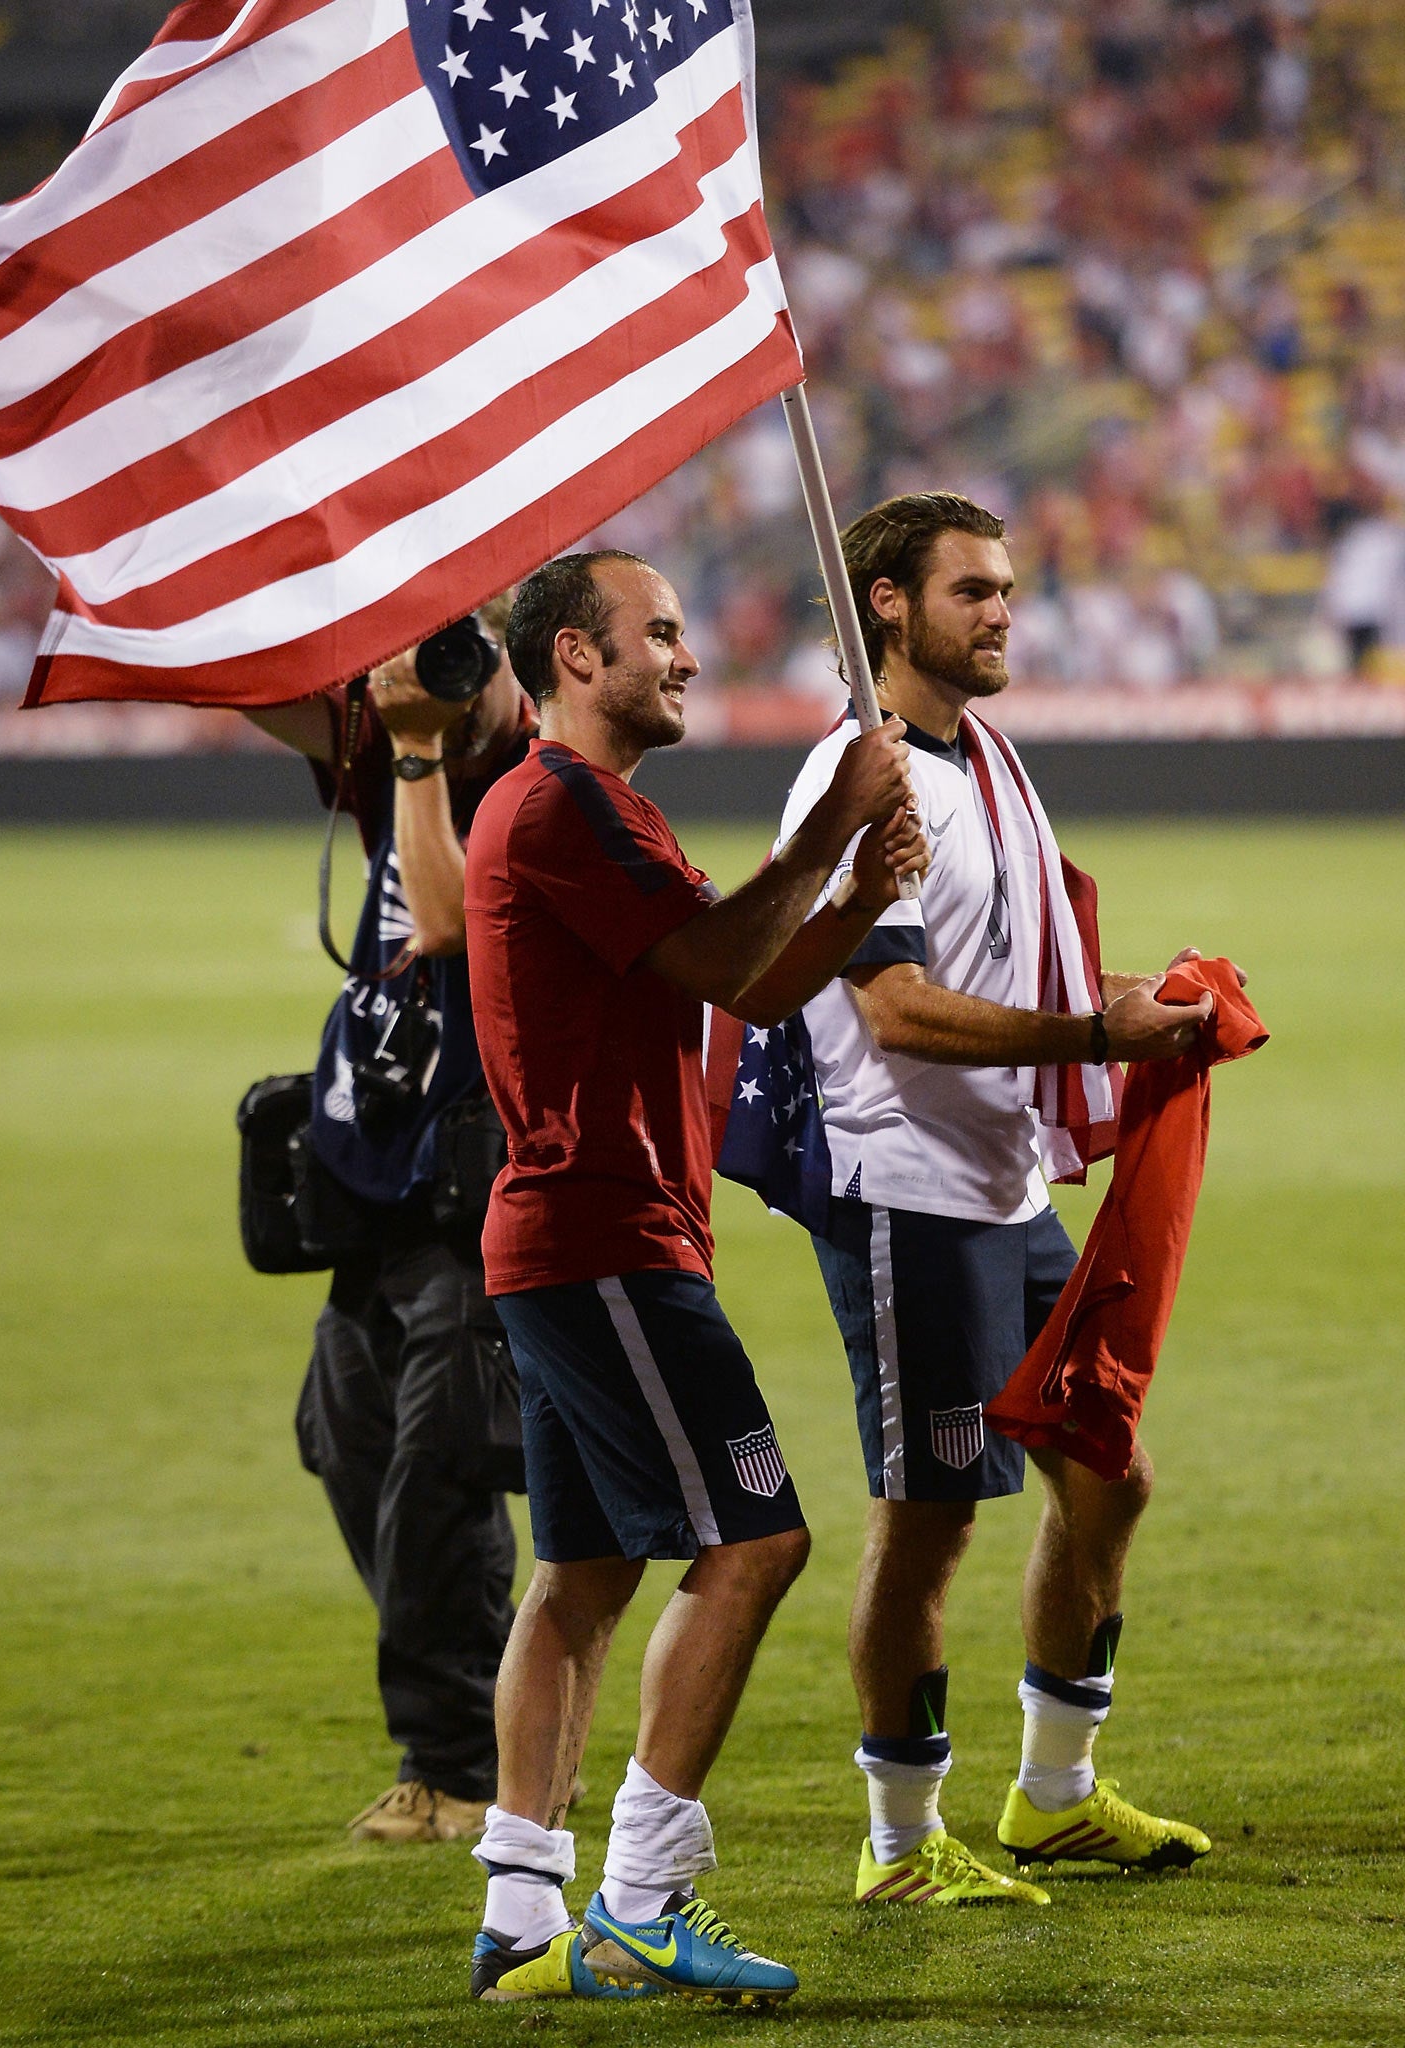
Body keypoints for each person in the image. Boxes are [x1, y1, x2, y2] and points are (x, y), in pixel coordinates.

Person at [461, 549, 928, 2004]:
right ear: (574, 660)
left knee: (584, 1576)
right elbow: (731, 964)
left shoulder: (586, 811)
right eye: (656, 633)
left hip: (572, 1242)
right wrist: (826, 836)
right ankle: (642, 1897)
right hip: (607, 1239)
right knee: (756, 1542)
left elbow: (752, 983)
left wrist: (851, 898)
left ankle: (522, 1914)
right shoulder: (562, 806)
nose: (686, 654)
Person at [775, 491, 1220, 1908]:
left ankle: (1053, 1801)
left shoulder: (983, 762)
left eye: (1011, 589)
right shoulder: (864, 782)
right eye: (973, 589)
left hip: (1003, 1177)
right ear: (888, 606)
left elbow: (1012, 972)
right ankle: (900, 1849)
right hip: (910, 1193)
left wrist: (1122, 1005)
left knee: (1111, 1473)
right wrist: (1095, 1041)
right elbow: (899, 1013)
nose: (1004, 612)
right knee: (930, 1516)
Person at [244, 595, 531, 1845]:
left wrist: (418, 747)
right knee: (353, 1451)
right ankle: (475, 1730)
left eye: (474, 654)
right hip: (369, 1191)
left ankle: (471, 1763)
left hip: (472, 1199)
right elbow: (242, 687)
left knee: (440, 1472)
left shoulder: (534, 782)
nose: (450, 680)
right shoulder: (397, 747)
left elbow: (450, 920)